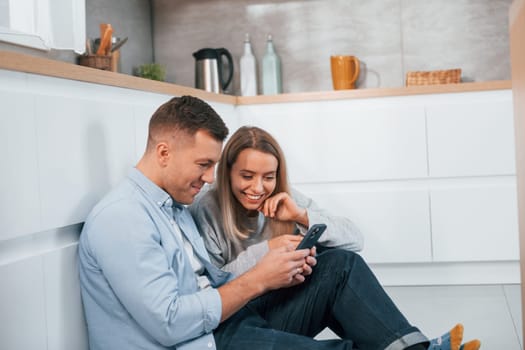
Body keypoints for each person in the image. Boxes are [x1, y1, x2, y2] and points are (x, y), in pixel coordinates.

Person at [189, 125, 482, 350]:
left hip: (277, 310)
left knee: (342, 262)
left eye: (269, 176)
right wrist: (267, 255)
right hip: (241, 326)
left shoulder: (284, 198)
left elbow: (355, 239)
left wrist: (302, 216)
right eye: (247, 175)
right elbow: (214, 290)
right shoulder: (206, 208)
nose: (258, 187)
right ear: (227, 173)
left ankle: (414, 347)